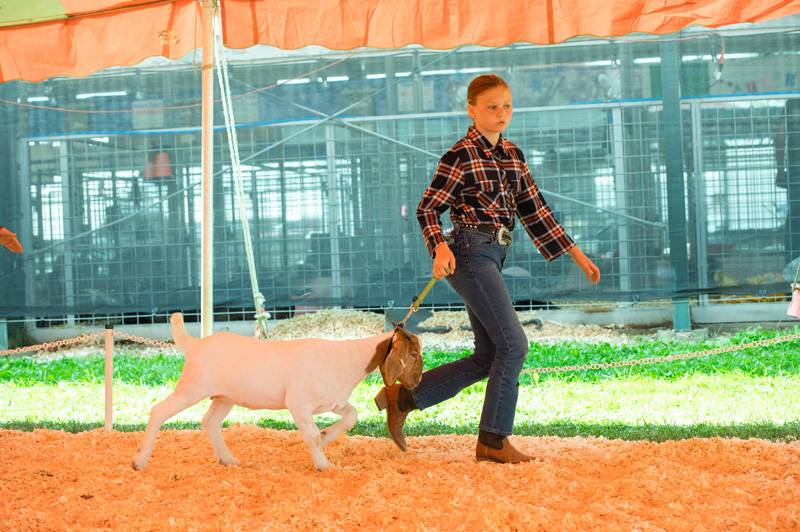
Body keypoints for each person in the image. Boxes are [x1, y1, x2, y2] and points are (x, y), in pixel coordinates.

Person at [375, 74, 600, 464]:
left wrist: (576, 254)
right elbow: (428, 208)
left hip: (494, 253)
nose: (501, 113)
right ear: (472, 110)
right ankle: (493, 440)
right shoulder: (459, 155)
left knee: (489, 355)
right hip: (469, 251)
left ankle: (404, 397)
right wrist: (439, 245)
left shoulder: (513, 154)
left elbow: (535, 209)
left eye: (507, 106)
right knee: (514, 345)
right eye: (492, 106)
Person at [775, 98, 800, 263]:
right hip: (794, 170)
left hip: (794, 169)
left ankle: (792, 258)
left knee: (795, 215)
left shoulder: (790, 106)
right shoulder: (792, 103)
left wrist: (780, 168)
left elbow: (780, 136)